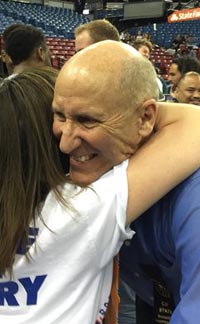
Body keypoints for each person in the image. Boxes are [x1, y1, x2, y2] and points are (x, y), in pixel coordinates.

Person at [1, 42, 200, 324]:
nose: (66, 141)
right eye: (58, 116)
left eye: (86, 119)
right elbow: (194, 128)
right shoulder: (79, 207)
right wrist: (136, 113)